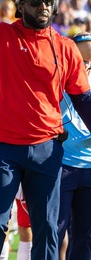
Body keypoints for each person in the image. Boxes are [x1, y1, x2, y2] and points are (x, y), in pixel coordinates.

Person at [0, 0, 91, 258]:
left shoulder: (65, 47)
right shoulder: (1, 34)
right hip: (3, 147)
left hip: (47, 148)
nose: (43, 6)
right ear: (20, 7)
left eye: (48, 1)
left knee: (47, 227)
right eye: (35, 1)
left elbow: (83, 100)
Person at [58, 32, 91, 259]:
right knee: (54, 231)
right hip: (61, 163)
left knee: (85, 237)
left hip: (89, 165)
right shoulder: (59, 76)